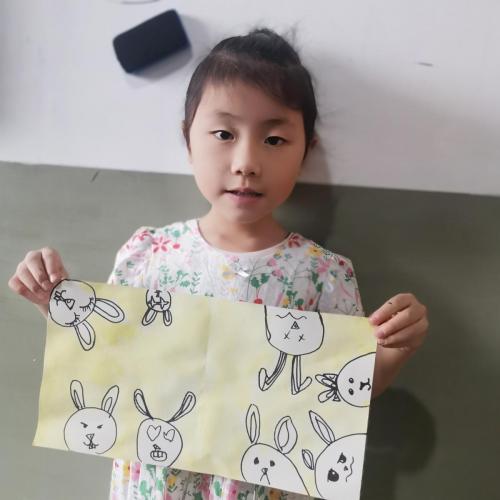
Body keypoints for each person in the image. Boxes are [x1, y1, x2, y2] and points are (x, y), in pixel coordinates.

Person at [9, 28, 428, 500]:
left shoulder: (322, 275)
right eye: (224, 134)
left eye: (274, 139)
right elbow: (108, 360)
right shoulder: (149, 253)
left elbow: (343, 394)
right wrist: (57, 302)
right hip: (154, 486)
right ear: (188, 139)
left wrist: (394, 348)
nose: (246, 162)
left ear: (305, 150)